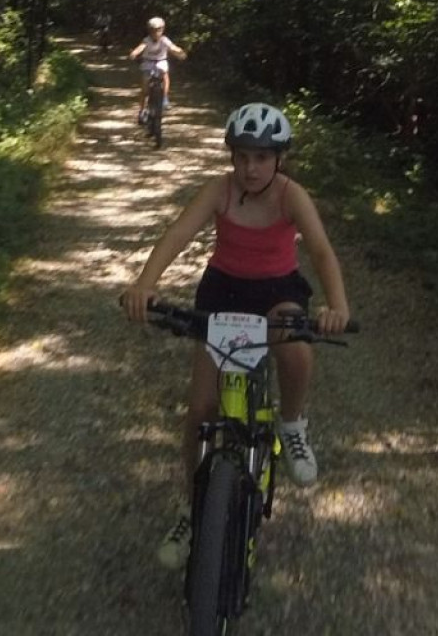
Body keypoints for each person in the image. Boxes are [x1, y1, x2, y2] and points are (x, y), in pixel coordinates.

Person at [118, 102, 353, 569]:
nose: (250, 168)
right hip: (223, 291)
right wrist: (145, 283)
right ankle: (193, 507)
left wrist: (338, 306)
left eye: (261, 157)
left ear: (279, 159)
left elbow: (321, 251)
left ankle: (292, 424)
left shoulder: (291, 195)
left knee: (296, 348)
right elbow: (178, 234)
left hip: (277, 290)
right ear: (231, 157)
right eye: (242, 156)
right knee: (200, 409)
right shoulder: (219, 190)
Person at [129, 16, 186, 113]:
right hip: (148, 62)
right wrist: (134, 53)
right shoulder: (147, 40)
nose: (156, 32)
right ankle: (142, 110)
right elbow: (141, 47)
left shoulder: (164, 40)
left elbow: (172, 47)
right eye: (153, 30)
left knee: (165, 76)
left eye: (158, 30)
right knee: (144, 88)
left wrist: (180, 52)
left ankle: (164, 97)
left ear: (162, 30)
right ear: (149, 30)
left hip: (161, 61)